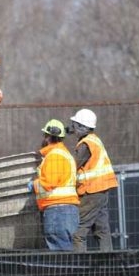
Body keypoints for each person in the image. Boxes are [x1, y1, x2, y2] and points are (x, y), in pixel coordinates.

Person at [69, 108, 118, 253]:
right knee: (102, 230)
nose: (73, 128)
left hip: (91, 191)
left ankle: (80, 267)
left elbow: (73, 166)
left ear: (82, 126)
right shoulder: (95, 140)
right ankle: (108, 266)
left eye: (75, 125)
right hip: (102, 190)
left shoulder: (85, 144)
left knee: (78, 233)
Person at [28, 119, 79, 251]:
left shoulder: (54, 155)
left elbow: (49, 182)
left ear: (49, 137)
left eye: (45, 135)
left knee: (60, 255)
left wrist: (33, 185)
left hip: (57, 211)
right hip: (69, 211)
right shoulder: (65, 154)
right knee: (68, 252)